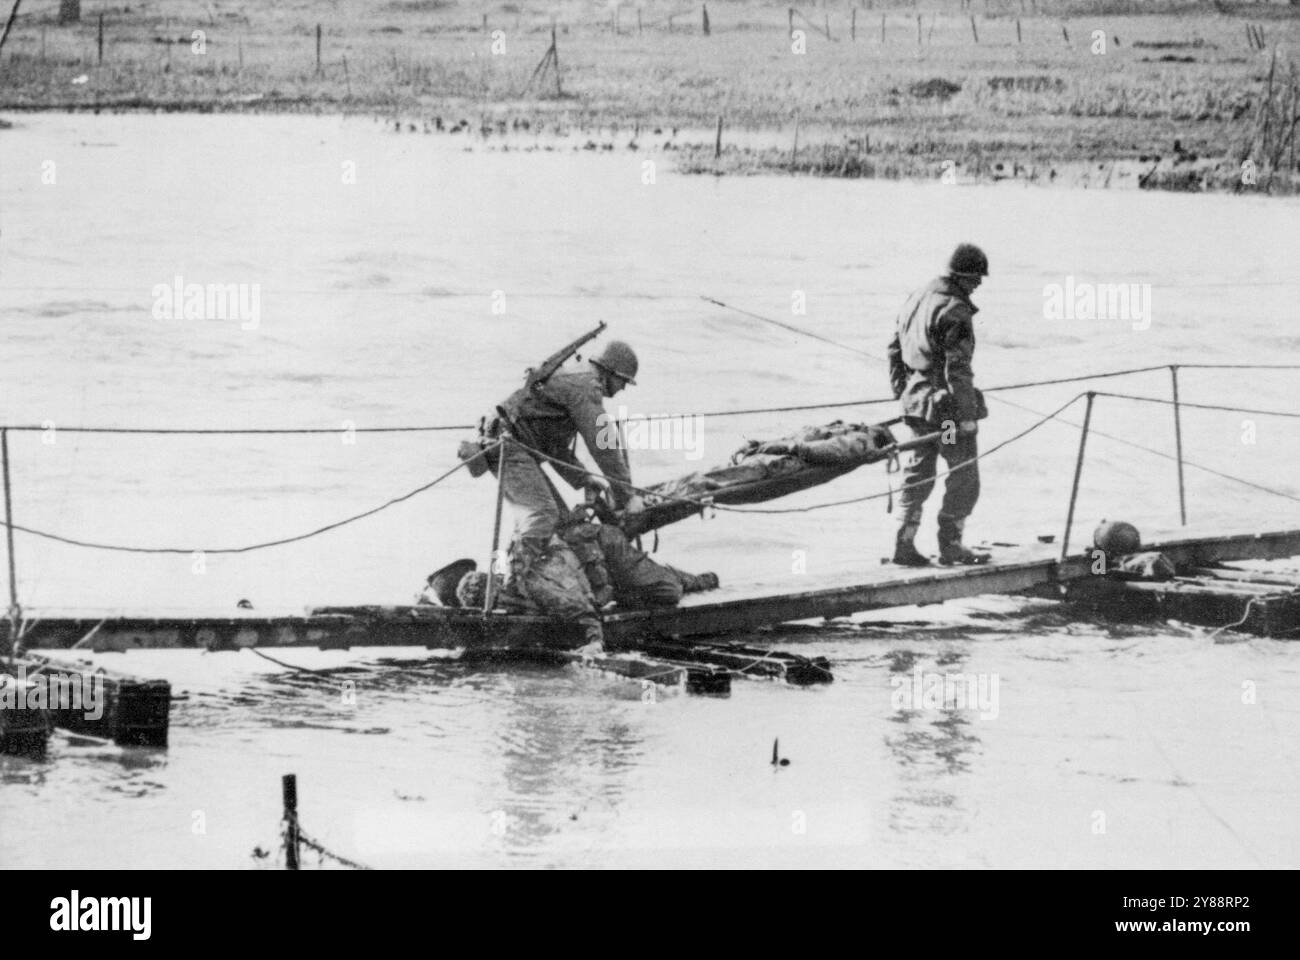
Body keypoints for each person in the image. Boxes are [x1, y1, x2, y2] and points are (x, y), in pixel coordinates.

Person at [485, 340, 647, 648]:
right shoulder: (586, 386)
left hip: (517, 445)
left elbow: (554, 445)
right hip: (508, 446)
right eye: (622, 382)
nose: (622, 389)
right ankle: (512, 588)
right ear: (608, 373)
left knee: (558, 520)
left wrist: (584, 479)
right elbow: (604, 444)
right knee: (543, 515)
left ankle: (533, 586)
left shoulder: (576, 379)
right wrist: (627, 496)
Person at [886, 244, 991, 566]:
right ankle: (951, 545)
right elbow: (956, 369)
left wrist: (903, 393)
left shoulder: (916, 297)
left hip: (917, 405)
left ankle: (903, 544)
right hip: (946, 416)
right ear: (962, 276)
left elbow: (893, 350)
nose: (979, 285)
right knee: (963, 474)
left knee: (918, 471)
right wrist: (968, 417)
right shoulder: (955, 310)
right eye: (976, 279)